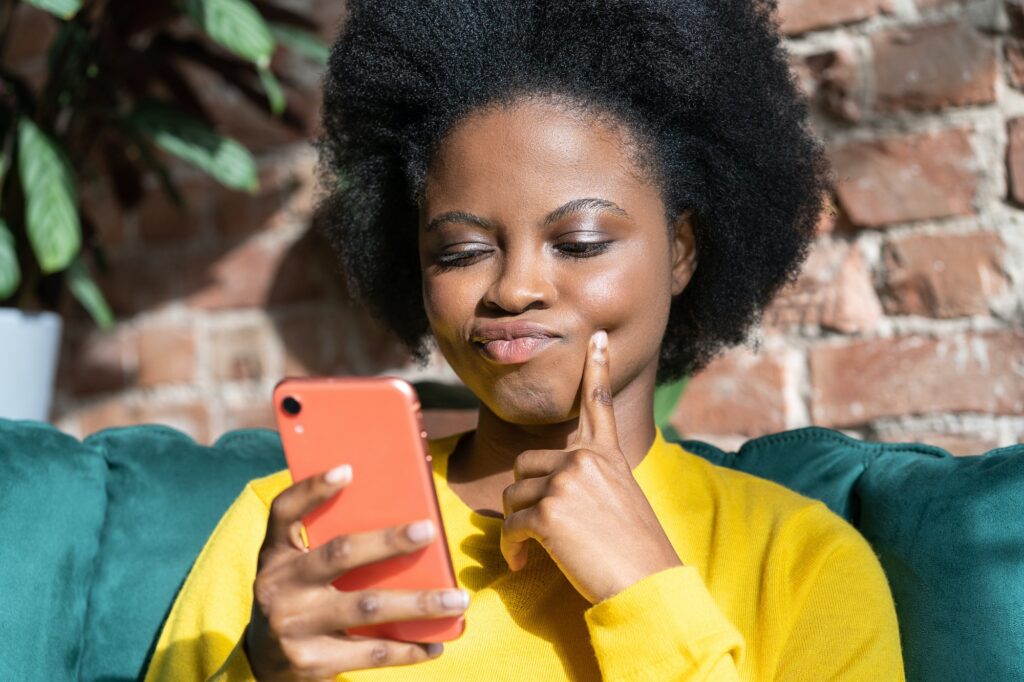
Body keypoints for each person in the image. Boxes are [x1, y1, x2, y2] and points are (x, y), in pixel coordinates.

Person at [144, 1, 905, 679]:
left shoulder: (802, 563)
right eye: (461, 252)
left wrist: (644, 593)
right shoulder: (293, 530)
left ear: (680, 251)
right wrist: (258, 668)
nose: (512, 289)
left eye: (577, 241)